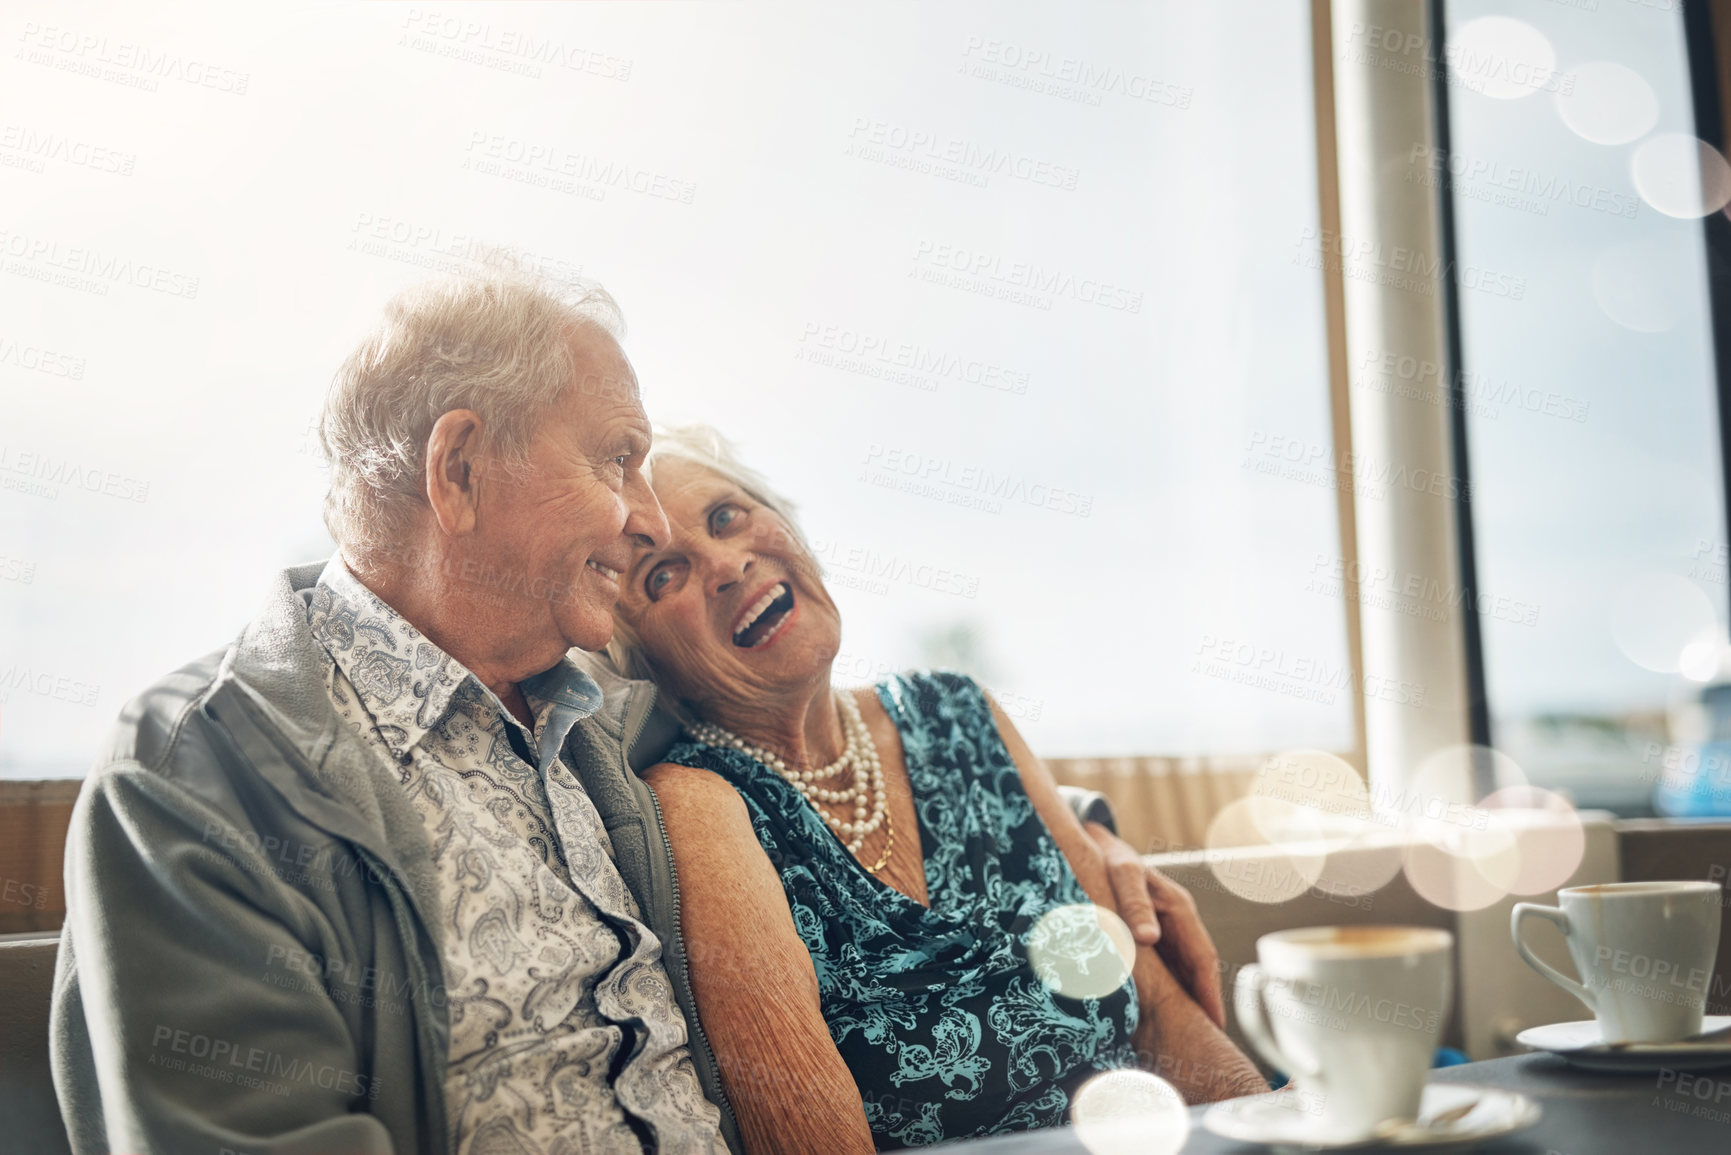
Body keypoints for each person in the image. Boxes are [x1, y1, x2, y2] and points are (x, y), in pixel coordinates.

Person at [49, 268, 1205, 1155]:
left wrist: (1086, 834)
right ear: (456, 472)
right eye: (619, 460)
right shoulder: (202, 770)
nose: (651, 520)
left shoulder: (592, 716)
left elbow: (805, 732)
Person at [608, 426, 1268, 1153]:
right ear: (639, 656)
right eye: (662, 574)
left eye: (727, 516)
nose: (727, 563)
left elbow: (1158, 1013)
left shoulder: (959, 711)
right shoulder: (702, 806)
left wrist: (1276, 1130)